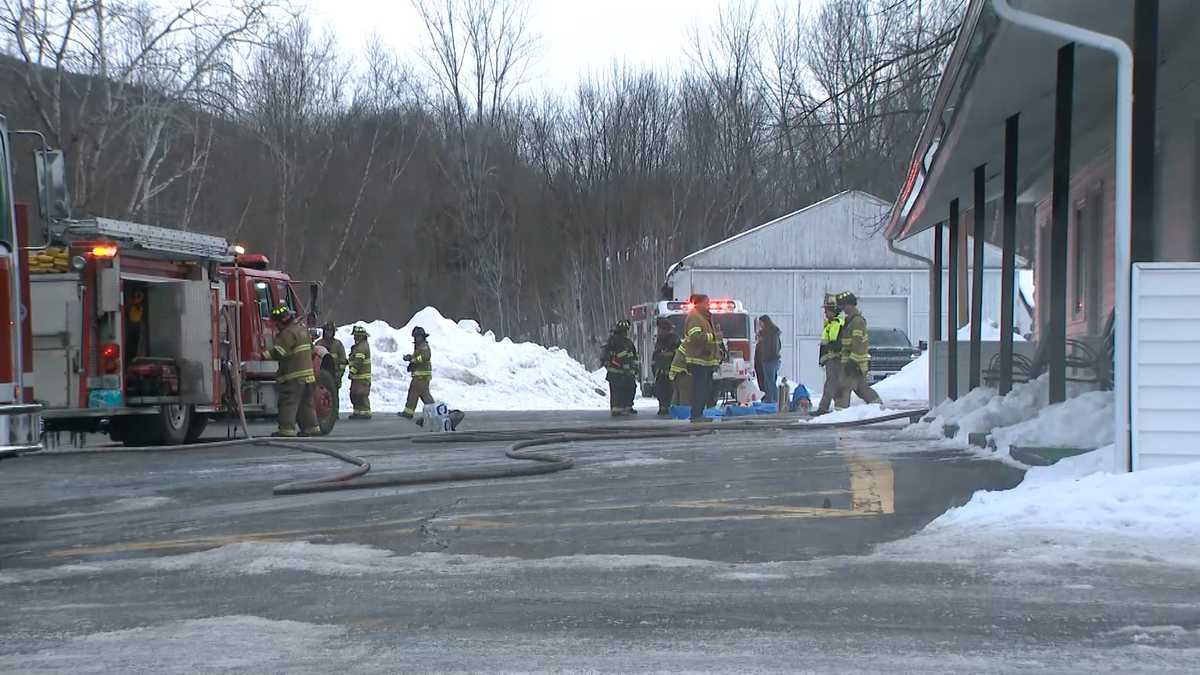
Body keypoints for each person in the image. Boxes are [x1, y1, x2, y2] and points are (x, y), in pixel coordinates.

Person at [261, 305, 320, 437]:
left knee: (288, 402)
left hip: (294, 377)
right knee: (306, 403)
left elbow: (279, 352)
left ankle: (286, 430)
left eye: (276, 323)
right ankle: (311, 428)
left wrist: (262, 356)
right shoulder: (302, 330)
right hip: (308, 376)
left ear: (280, 321)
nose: (275, 326)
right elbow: (312, 350)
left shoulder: (287, 333)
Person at [834, 291, 882, 409]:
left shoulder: (857, 322)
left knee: (843, 388)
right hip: (852, 363)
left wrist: (852, 362)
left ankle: (840, 415)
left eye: (844, 305)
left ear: (851, 305)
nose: (843, 308)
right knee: (861, 388)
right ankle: (878, 407)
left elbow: (858, 344)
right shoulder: (849, 321)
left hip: (854, 364)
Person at [683, 294, 721, 422]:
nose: (709, 305)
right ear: (699, 303)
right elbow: (696, 337)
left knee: (704, 389)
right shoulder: (695, 317)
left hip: (705, 360)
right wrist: (713, 337)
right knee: (700, 389)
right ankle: (696, 415)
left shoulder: (703, 317)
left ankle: (699, 414)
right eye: (707, 302)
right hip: (698, 360)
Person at [813, 294, 845, 415]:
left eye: (827, 310)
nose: (825, 313)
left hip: (836, 359)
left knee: (830, 384)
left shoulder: (838, 324)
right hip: (830, 360)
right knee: (835, 385)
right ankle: (840, 409)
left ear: (833, 311)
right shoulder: (830, 324)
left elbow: (836, 344)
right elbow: (825, 343)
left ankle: (823, 408)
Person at [602, 319, 639, 416]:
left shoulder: (627, 342)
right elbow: (621, 357)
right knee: (619, 391)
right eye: (624, 331)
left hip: (624, 373)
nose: (625, 333)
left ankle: (625, 407)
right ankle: (618, 409)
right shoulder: (615, 342)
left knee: (628, 389)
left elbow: (633, 356)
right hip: (617, 372)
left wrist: (634, 368)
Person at [400, 326, 435, 419]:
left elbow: (425, 357)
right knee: (421, 394)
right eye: (415, 337)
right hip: (419, 376)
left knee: (416, 393)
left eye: (417, 337)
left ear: (422, 337)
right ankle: (434, 412)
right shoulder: (419, 346)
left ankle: (409, 413)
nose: (415, 339)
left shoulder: (424, 346)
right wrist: (410, 358)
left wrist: (413, 360)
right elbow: (417, 357)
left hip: (421, 377)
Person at [651, 318, 680, 416]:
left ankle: (670, 408)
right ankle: (662, 408)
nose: (659, 331)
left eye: (661, 329)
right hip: (660, 372)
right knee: (660, 391)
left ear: (666, 330)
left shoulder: (674, 339)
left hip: (671, 372)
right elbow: (656, 355)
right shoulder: (659, 340)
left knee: (670, 390)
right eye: (659, 329)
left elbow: (679, 353)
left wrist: (669, 354)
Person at [755, 315, 782, 404]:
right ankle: (770, 399)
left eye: (761, 323)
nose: (760, 325)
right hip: (768, 360)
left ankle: (772, 400)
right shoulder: (769, 333)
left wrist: (768, 357)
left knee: (770, 382)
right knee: (768, 381)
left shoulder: (771, 334)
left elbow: (774, 348)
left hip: (770, 360)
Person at [348, 325, 372, 419]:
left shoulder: (362, 347)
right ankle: (357, 412)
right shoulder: (358, 346)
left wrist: (352, 372)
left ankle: (365, 412)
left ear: (362, 336)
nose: (355, 337)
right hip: (358, 378)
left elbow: (358, 362)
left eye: (357, 335)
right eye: (355, 335)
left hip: (362, 377)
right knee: (355, 395)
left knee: (362, 395)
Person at [317, 321, 348, 388]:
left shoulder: (338, 345)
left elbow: (343, 362)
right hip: (320, 378)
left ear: (333, 332)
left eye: (330, 331)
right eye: (326, 330)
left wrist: (338, 376)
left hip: (334, 377)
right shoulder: (318, 344)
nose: (328, 333)